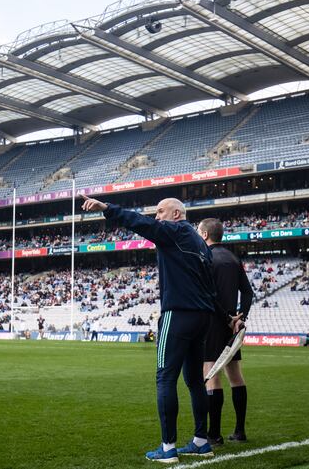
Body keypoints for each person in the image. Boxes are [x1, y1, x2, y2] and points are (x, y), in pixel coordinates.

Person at [81, 195, 216, 462]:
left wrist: (107, 209)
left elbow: (140, 223)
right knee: (194, 380)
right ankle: (201, 442)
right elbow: (211, 287)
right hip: (203, 316)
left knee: (165, 378)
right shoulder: (201, 243)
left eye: (161, 211)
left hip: (178, 313)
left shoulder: (174, 231)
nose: (157, 216)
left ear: (176, 214)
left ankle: (168, 448)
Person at [197, 218, 253, 446]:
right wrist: (240, 318)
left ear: (204, 235)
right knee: (235, 374)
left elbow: (209, 296)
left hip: (213, 321)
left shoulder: (205, 258)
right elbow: (248, 292)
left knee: (211, 373)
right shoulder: (233, 258)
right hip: (232, 325)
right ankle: (240, 431)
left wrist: (227, 318)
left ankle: (214, 434)